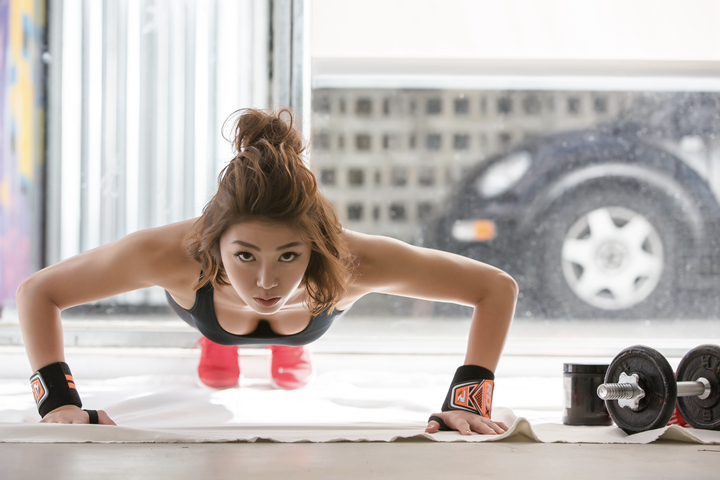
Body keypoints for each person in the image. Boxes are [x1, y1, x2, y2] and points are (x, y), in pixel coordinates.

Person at [17, 109, 518, 435]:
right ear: (213, 244)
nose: (265, 282)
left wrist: (469, 402)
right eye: (244, 256)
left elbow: (495, 288)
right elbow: (39, 292)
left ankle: (286, 346)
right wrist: (59, 403)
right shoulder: (172, 254)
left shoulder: (353, 260)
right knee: (217, 366)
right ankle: (217, 339)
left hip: (307, 318)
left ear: (317, 248)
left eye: (288, 256)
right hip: (206, 311)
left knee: (291, 364)